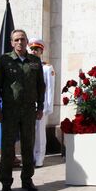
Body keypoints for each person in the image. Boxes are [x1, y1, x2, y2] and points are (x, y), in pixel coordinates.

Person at [0, 29, 45, 191]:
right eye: (16, 40)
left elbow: (40, 86)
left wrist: (41, 107)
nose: (19, 42)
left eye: (22, 39)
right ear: (11, 42)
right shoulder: (4, 60)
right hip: (10, 110)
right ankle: (6, 183)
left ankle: (27, 179)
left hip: (29, 110)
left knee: (28, 145)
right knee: (8, 146)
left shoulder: (35, 61)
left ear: (27, 41)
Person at [28, 38, 55, 168]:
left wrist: (47, 106)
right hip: (28, 105)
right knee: (30, 131)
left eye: (36, 49)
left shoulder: (46, 68)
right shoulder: (28, 65)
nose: (33, 51)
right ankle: (31, 155)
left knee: (39, 132)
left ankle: (39, 157)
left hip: (41, 105)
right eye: (32, 49)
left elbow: (50, 88)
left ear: (41, 51)